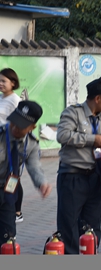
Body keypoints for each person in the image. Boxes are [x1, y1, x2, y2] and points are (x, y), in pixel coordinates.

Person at [55, 77, 101, 254]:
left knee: (92, 226)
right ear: (98, 98)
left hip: (95, 178)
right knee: (69, 226)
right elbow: (62, 135)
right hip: (73, 177)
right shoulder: (73, 113)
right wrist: (92, 139)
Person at [0, 101, 51, 244]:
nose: (15, 127)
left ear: (32, 127)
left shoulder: (32, 144)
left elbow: (34, 166)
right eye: (14, 122)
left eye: (21, 125)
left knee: (8, 238)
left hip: (7, 192)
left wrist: (42, 183)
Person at [0, 68, 23, 223]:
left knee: (13, 177)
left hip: (11, 144)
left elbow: (20, 124)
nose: (0, 83)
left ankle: (17, 211)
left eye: (4, 81)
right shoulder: (1, 98)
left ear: (13, 83)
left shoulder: (15, 100)